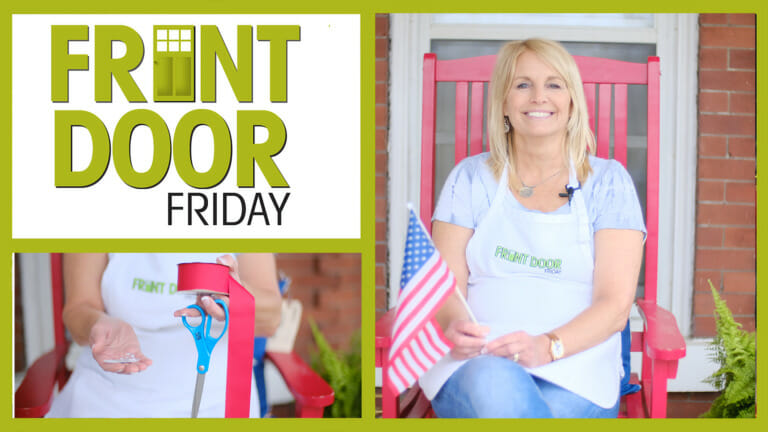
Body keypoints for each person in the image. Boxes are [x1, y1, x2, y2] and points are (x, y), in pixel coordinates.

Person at [419, 39, 646, 418]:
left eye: (554, 84)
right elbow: (446, 290)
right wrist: (454, 325)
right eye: (523, 84)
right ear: (504, 103)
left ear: (572, 102)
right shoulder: (470, 179)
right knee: (497, 385)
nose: (539, 96)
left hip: (576, 363)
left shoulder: (609, 183)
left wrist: (547, 346)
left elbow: (615, 306)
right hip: (479, 361)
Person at [46, 253, 282, 418]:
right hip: (106, 397)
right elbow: (78, 309)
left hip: (218, 400)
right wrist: (98, 324)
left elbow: (271, 319)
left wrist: (236, 296)